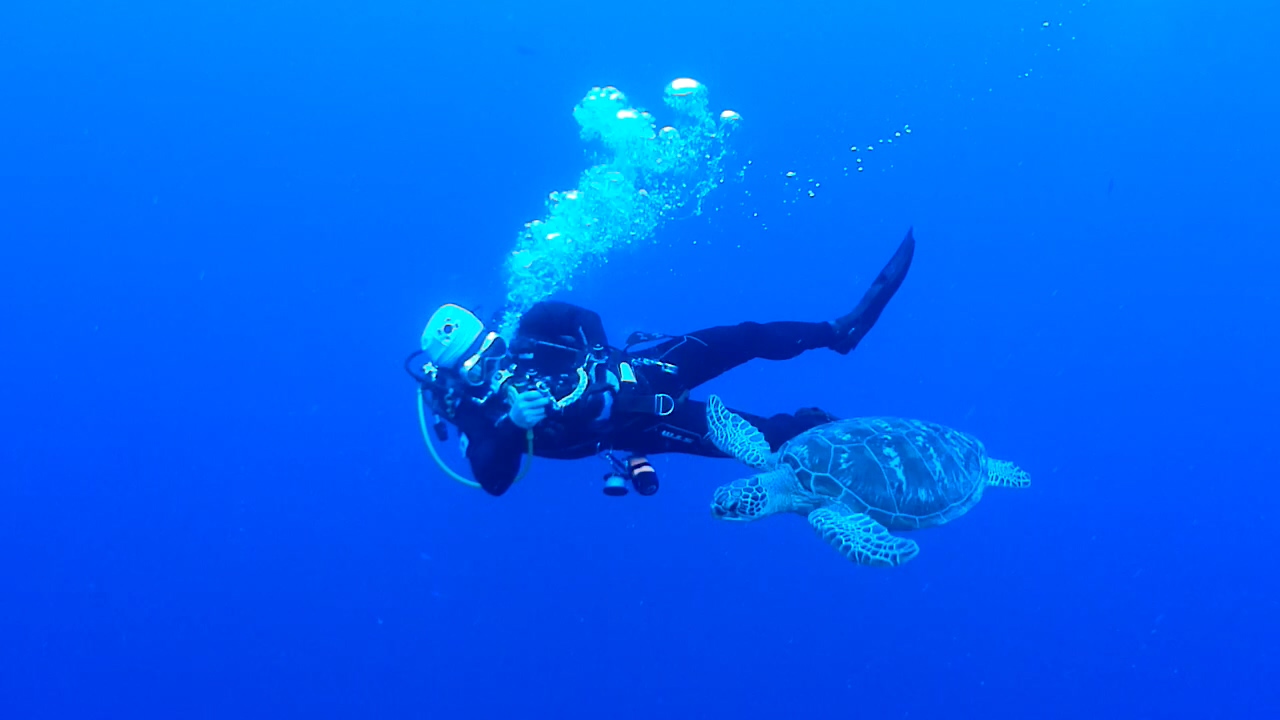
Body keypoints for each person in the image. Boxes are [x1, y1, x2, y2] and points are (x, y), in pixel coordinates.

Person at [406, 228, 916, 497]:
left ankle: (838, 331)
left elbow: (580, 314)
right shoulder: (472, 413)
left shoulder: (530, 325)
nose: (494, 366)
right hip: (639, 425)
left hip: (641, 371)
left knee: (740, 337)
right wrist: (515, 426)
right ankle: (822, 433)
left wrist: (603, 358)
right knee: (763, 442)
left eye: (492, 347)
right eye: (476, 367)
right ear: (456, 377)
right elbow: (493, 480)